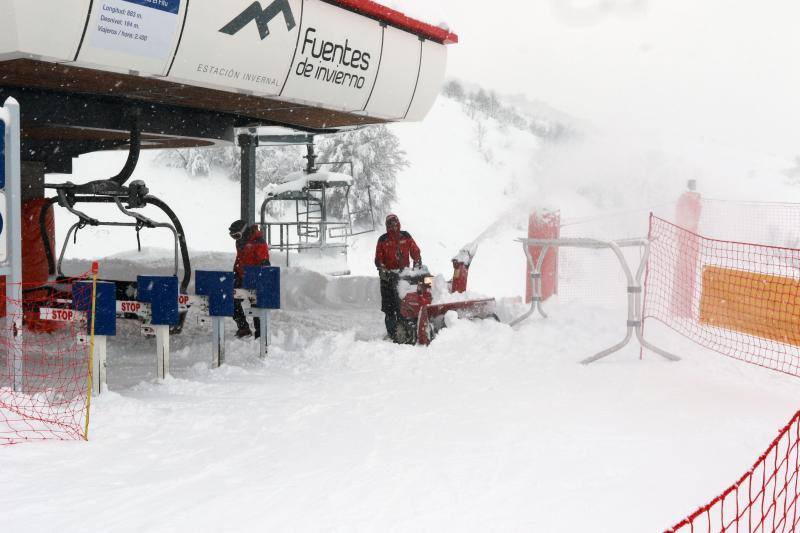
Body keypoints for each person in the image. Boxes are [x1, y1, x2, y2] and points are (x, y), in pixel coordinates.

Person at [374, 214, 422, 339]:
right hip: (388, 278)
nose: (393, 226)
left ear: (398, 223)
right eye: (390, 224)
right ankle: (392, 333)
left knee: (406, 303)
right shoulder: (383, 240)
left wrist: (417, 261)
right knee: (389, 308)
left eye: (395, 223)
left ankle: (407, 327)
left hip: (404, 276)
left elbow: (415, 250)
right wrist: (383, 269)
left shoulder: (405, 236)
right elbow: (378, 259)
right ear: (387, 226)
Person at [229, 219, 270, 338]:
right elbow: (239, 260)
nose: (236, 239)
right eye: (233, 237)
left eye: (237, 235)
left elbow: (264, 264)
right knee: (230, 299)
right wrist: (235, 273)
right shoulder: (240, 242)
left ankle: (260, 333)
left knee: (256, 303)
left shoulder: (258, 242)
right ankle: (243, 327)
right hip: (241, 276)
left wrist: (258, 279)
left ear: (244, 232)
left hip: (255, 277)